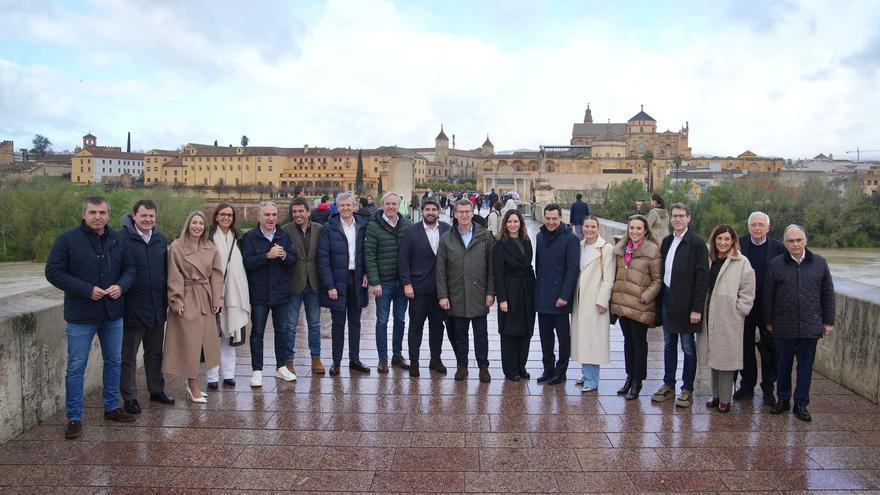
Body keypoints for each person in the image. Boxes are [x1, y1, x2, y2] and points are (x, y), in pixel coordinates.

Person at [46, 197, 136, 439]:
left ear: (108, 214)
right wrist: (86, 289)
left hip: (112, 313)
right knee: (76, 367)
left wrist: (121, 286)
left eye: (103, 212)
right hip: (81, 315)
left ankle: (111, 407)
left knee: (114, 361)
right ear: (84, 214)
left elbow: (130, 270)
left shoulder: (118, 239)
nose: (98, 216)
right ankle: (74, 417)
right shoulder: (67, 240)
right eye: (93, 212)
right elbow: (53, 272)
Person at [764, 225, 835, 422]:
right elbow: (768, 295)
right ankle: (783, 399)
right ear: (785, 243)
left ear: (805, 241)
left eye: (798, 240)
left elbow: (828, 293)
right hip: (783, 326)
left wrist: (828, 321)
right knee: (783, 366)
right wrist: (768, 321)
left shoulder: (820, 263)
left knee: (805, 367)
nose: (795, 244)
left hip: (810, 326)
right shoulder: (776, 264)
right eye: (790, 241)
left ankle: (801, 403)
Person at [118, 199, 174, 414]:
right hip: (131, 306)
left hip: (156, 306)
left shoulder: (160, 239)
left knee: (154, 352)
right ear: (134, 216)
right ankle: (129, 397)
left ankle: (156, 389)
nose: (148, 220)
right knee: (128, 355)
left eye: (151, 216)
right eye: (144, 216)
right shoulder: (121, 238)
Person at [162, 211, 224, 404]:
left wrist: (216, 300)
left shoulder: (209, 247)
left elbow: (216, 274)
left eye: (201, 223)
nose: (197, 226)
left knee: (204, 344)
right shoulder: (177, 247)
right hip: (187, 297)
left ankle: (194, 383)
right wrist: (176, 300)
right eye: (194, 223)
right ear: (188, 225)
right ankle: (192, 383)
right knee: (190, 343)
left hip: (205, 297)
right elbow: (174, 275)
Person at [652, 203, 709, 408]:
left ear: (689, 218)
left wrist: (697, 308)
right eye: (674, 216)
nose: (677, 219)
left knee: (687, 347)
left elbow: (702, 278)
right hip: (668, 299)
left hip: (686, 304)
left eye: (681, 216)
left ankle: (687, 388)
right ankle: (669, 384)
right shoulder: (667, 241)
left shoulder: (696, 243)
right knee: (668, 345)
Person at [697, 225, 756, 413]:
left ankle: (725, 399)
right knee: (713, 357)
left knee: (726, 359)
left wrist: (740, 310)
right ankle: (715, 395)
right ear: (714, 240)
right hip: (709, 313)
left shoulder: (741, 261)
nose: (723, 243)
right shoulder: (709, 259)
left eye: (727, 239)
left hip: (729, 316)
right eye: (719, 239)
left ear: (733, 241)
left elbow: (748, 289)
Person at [437, 199, 495, 382]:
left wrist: (490, 292)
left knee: (481, 335)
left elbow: (491, 267)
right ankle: (462, 366)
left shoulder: (485, 236)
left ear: (472, 213)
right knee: (460, 335)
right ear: (454, 214)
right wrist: (443, 295)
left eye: (467, 211)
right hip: (456, 294)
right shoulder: (447, 237)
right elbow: (440, 269)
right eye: (460, 212)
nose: (463, 215)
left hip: (479, 293)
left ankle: (483, 367)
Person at [241, 201, 298, 387]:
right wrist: (267, 256)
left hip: (281, 293)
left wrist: (282, 256)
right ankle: (257, 370)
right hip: (259, 293)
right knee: (257, 332)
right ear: (259, 217)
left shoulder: (284, 235)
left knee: (282, 331)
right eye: (267, 215)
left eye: (274, 215)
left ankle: (281, 367)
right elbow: (247, 262)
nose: (271, 218)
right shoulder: (249, 237)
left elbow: (292, 260)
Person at [734, 211, 787, 404]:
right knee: (744, 346)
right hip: (744, 305)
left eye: (761, 225)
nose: (757, 228)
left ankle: (768, 388)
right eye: (754, 225)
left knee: (770, 349)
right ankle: (747, 385)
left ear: (768, 228)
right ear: (748, 227)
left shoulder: (779, 249)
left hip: (769, 307)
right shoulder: (739, 245)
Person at [609, 215, 662, 400]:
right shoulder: (621, 249)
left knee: (639, 344)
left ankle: (638, 381)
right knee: (628, 342)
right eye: (632, 228)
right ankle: (629, 376)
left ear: (645, 230)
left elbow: (657, 280)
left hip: (640, 305)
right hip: (623, 303)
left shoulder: (652, 250)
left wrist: (645, 296)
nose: (635, 232)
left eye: (639, 228)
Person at [318, 193, 371, 375]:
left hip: (356, 278)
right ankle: (337, 360)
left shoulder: (363, 225)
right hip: (338, 280)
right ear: (337, 207)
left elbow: (367, 253)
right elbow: (323, 259)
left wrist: (367, 273)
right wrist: (330, 286)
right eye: (342, 205)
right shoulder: (329, 228)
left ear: (354, 206)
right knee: (338, 323)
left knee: (355, 322)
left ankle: (354, 359)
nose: (346, 208)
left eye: (349, 205)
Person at [399, 198, 451, 377]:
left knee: (437, 326)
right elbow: (404, 259)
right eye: (427, 209)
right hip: (418, 288)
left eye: (434, 209)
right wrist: (407, 284)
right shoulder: (412, 231)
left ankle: (435, 359)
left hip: (440, 289)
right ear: (422, 212)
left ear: (438, 211)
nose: (430, 212)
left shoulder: (446, 229)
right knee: (416, 327)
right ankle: (414, 361)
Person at [365, 192, 413, 373]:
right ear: (382, 205)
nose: (391, 207)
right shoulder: (374, 226)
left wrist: (409, 281)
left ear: (399, 205)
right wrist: (375, 282)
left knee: (400, 320)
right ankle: (382, 358)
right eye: (388, 204)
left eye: (394, 203)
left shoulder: (407, 225)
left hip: (402, 282)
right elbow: (369, 255)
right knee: (382, 321)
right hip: (383, 282)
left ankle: (397, 354)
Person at [534, 204, 580, 385]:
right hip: (543, 294)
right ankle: (548, 369)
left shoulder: (571, 239)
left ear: (561, 218)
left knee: (562, 338)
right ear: (544, 218)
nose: (551, 222)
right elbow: (538, 265)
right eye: (548, 218)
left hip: (560, 297)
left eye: (554, 218)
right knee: (545, 336)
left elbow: (573, 270)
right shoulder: (539, 236)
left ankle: (561, 372)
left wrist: (565, 296)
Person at [206, 203, 250, 389]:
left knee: (230, 335)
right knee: (211, 337)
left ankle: (229, 374)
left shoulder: (238, 237)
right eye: (222, 214)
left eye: (229, 215)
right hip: (212, 291)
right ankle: (212, 377)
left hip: (235, 291)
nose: (226, 218)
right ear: (216, 216)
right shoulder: (207, 237)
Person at [571, 216, 615, 393]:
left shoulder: (606, 249)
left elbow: (609, 278)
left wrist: (602, 301)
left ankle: (592, 379)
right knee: (583, 340)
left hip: (595, 301)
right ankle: (586, 374)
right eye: (587, 226)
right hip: (581, 300)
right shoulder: (580, 246)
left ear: (598, 228)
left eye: (593, 227)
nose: (589, 230)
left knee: (593, 342)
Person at [282, 198, 325, 375]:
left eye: (301, 211)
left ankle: (316, 358)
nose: (297, 215)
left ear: (308, 212)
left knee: (314, 324)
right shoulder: (285, 230)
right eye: (295, 212)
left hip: (314, 283)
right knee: (290, 325)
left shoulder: (319, 229)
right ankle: (288, 360)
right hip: (294, 283)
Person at [492, 210, 535, 381]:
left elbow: (529, 267)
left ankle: (521, 365)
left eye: (515, 221)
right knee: (510, 332)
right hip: (510, 291)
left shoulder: (526, 241)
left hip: (526, 290)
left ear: (521, 223)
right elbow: (498, 274)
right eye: (509, 221)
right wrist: (502, 299)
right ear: (505, 224)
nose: (512, 224)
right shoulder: (500, 245)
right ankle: (510, 368)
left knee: (526, 331)